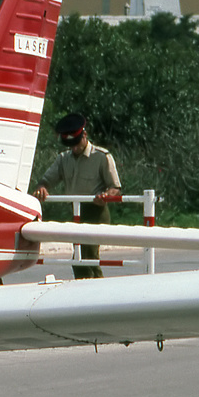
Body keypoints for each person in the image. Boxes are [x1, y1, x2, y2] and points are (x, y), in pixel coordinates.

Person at [33, 113, 121, 279]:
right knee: (79, 258)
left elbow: (115, 188)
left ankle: (96, 292)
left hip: (96, 211)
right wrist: (42, 188)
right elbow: (45, 180)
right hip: (75, 212)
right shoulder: (63, 159)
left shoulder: (101, 157)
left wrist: (106, 196)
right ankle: (86, 289)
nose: (74, 148)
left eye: (76, 143)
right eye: (70, 144)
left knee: (88, 256)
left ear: (84, 135)